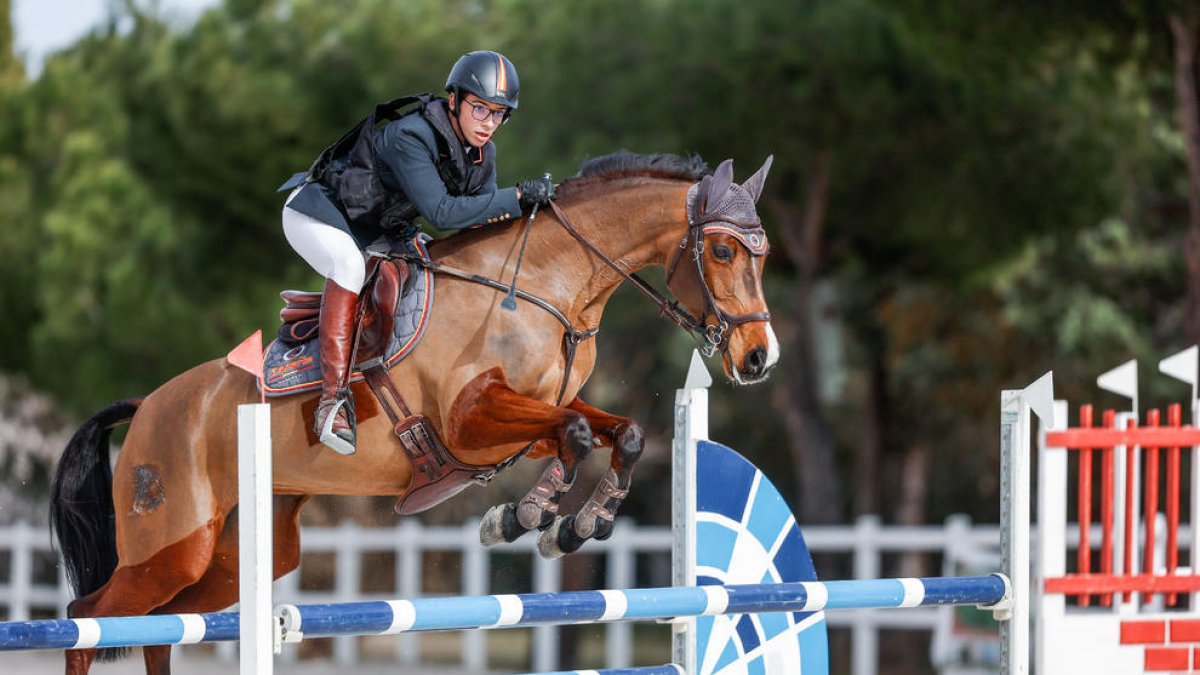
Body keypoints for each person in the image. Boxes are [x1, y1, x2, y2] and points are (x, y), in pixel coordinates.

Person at [278, 50, 556, 456]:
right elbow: (443, 214)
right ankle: (331, 403)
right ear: (455, 100)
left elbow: (476, 221)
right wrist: (515, 196)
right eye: (480, 108)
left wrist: (531, 209)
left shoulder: (482, 155)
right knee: (349, 268)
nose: (488, 124)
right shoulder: (411, 135)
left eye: (499, 114)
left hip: (377, 229)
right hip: (318, 215)